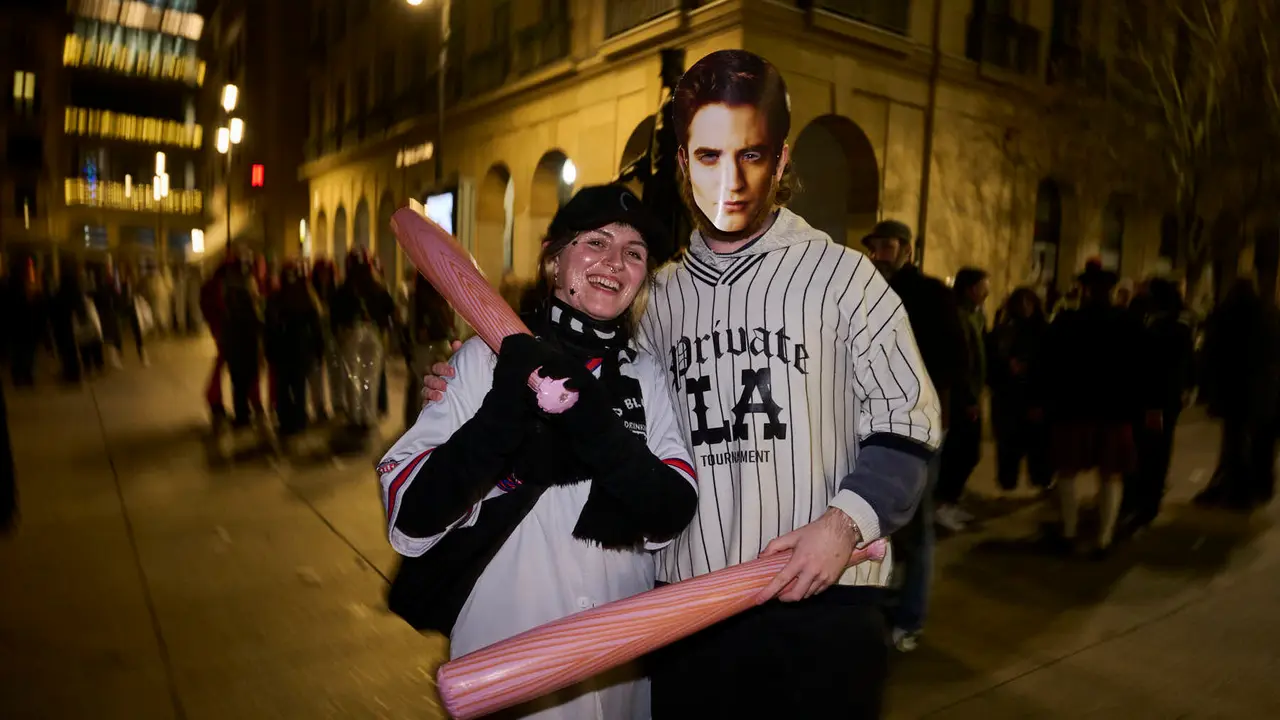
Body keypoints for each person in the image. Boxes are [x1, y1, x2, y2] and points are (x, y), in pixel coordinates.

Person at [428, 50, 938, 718]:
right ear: (681, 163)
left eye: (751, 155)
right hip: (688, 618)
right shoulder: (657, 296)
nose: (728, 178)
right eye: (706, 155)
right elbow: (584, 364)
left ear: (781, 163)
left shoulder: (844, 277)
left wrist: (847, 522)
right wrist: (468, 378)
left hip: (824, 608)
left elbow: (910, 420)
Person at [379, 184, 698, 719]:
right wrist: (506, 407)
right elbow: (412, 517)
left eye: (634, 253)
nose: (615, 263)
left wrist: (593, 422)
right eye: (595, 242)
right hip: (508, 663)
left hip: (620, 668)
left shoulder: (646, 377)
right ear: (555, 259)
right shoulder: (484, 362)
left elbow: (670, 510)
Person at [861, 219, 965, 652]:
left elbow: (951, 359)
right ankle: (883, 604)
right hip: (869, 422)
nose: (880, 254)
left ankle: (910, 618)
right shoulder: (863, 288)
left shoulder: (929, 295)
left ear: (906, 249)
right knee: (876, 524)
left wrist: (934, 413)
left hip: (915, 426)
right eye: (876, 246)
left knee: (917, 528)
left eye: (888, 246)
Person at [1039, 262, 1156, 557]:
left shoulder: (1068, 321)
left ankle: (1069, 531)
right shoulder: (1129, 323)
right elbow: (1143, 369)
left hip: (1073, 407)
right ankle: (1103, 537)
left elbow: (1049, 364)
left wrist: (1043, 401)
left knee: (1067, 471)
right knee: (1111, 474)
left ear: (1086, 290)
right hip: (1114, 409)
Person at [1196, 278, 1280, 510]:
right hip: (1263, 390)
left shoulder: (1226, 317)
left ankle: (1236, 490)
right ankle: (1256, 487)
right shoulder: (1268, 317)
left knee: (1235, 441)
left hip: (1234, 390)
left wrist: (1208, 388)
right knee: (1259, 442)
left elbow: (1211, 354)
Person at [1121, 278, 1195, 534]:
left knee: (1155, 450)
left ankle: (1147, 502)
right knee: (1144, 449)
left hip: (1158, 399)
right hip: (1151, 397)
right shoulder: (1158, 321)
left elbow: (1166, 362)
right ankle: (1140, 498)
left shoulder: (1173, 326)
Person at [934, 267, 989, 531]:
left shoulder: (975, 315)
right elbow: (961, 361)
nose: (986, 292)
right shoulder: (959, 315)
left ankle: (950, 502)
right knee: (959, 453)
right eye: (982, 286)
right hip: (959, 397)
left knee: (969, 453)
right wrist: (968, 399)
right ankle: (942, 505)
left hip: (971, 393)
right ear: (969, 288)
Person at [989, 286, 1052, 493]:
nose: (1025, 307)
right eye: (1020, 302)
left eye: (1028, 302)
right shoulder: (1005, 329)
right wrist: (1008, 365)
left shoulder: (1043, 330)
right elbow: (992, 359)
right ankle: (1008, 482)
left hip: (1033, 395)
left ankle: (1041, 481)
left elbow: (1049, 365)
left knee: (1038, 447)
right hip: (1008, 398)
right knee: (1008, 446)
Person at [265, 261, 325, 440]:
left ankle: (287, 421)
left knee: (285, 386)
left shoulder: (277, 297)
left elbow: (269, 326)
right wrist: (318, 350)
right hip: (300, 351)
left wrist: (270, 350)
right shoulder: (307, 297)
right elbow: (316, 327)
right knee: (298, 387)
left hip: (285, 351)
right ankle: (297, 421)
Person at [402, 273, 457, 429]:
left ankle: (420, 424)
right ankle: (429, 422)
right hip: (438, 344)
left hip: (425, 347)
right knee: (434, 384)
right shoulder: (439, 295)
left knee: (422, 385)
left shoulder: (418, 296)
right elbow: (448, 321)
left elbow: (411, 323)